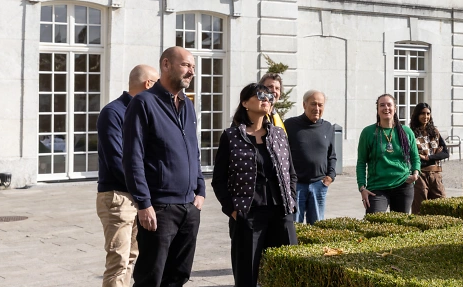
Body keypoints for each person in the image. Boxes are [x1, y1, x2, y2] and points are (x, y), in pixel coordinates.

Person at [123, 47, 206, 287]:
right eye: (186, 65)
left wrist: (200, 189)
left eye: (193, 67)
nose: (191, 71)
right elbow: (132, 157)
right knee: (151, 277)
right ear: (166, 64)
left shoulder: (188, 105)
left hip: (189, 207)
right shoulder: (144, 102)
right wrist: (144, 203)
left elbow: (193, 149)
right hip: (159, 208)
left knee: (179, 276)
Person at [211, 83, 298, 287]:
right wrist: (232, 210)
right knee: (247, 276)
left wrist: (291, 201)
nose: (266, 98)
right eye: (260, 95)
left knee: (287, 273)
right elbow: (219, 180)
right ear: (245, 103)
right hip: (248, 214)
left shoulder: (279, 134)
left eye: (269, 95)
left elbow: (290, 173)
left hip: (281, 213)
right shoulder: (231, 136)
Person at [96, 65, 158, 287]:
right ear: (148, 84)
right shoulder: (113, 112)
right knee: (119, 262)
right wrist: (144, 189)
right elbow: (116, 161)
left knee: (132, 258)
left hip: (137, 196)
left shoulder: (144, 112)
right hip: (118, 197)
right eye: (157, 84)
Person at [357, 94, 420, 214]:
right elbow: (361, 162)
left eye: (389, 105)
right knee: (374, 224)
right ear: (377, 109)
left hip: (403, 185)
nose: (386, 108)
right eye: (382, 105)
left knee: (402, 227)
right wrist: (362, 188)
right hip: (377, 187)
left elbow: (415, 157)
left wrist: (415, 173)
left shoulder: (406, 132)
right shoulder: (368, 132)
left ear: (395, 108)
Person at [285, 90, 337, 224]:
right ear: (304, 105)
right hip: (296, 186)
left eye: (320, 105)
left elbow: (331, 155)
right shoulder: (290, 125)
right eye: (313, 104)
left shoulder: (327, 127)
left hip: (319, 185)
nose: (317, 108)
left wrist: (330, 176)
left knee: (317, 227)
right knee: (294, 227)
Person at [409, 103, 448, 214]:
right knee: (420, 208)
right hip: (420, 175)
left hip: (436, 175)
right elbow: (413, 156)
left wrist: (426, 157)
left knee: (441, 206)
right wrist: (435, 157)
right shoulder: (411, 133)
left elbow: (445, 153)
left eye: (428, 113)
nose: (425, 116)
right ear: (416, 115)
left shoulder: (434, 132)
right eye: (422, 113)